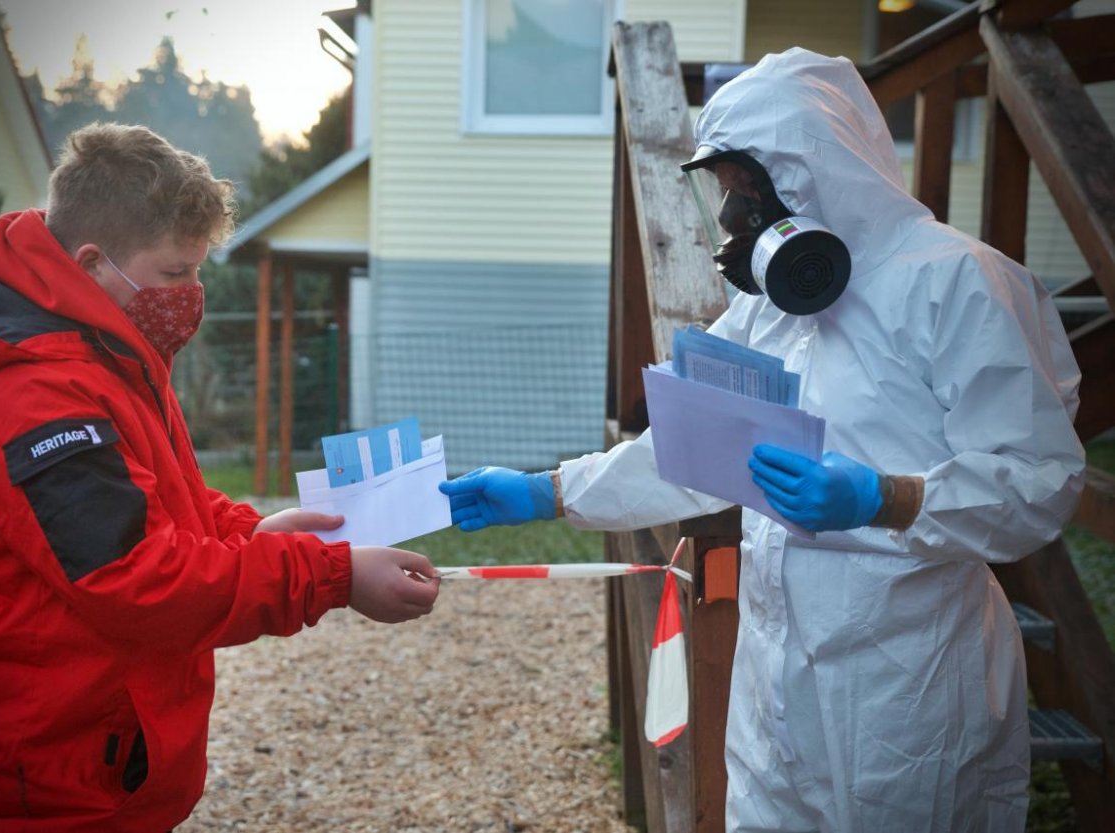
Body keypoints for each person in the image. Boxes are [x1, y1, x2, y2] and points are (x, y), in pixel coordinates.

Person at [440, 48, 1084, 832]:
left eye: (746, 191)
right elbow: (691, 453)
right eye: (727, 195)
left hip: (908, 689)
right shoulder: (772, 312)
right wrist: (548, 489)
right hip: (774, 690)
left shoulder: (959, 283)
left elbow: (1038, 480)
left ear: (809, 171)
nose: (736, 219)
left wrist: (888, 496)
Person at [0, 122, 441, 831]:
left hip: (75, 765)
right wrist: (329, 575)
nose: (192, 292)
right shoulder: (29, 395)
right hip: (20, 790)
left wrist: (251, 532)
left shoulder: (93, 345)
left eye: (198, 270)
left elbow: (149, 498)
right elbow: (134, 574)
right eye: (174, 273)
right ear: (90, 263)